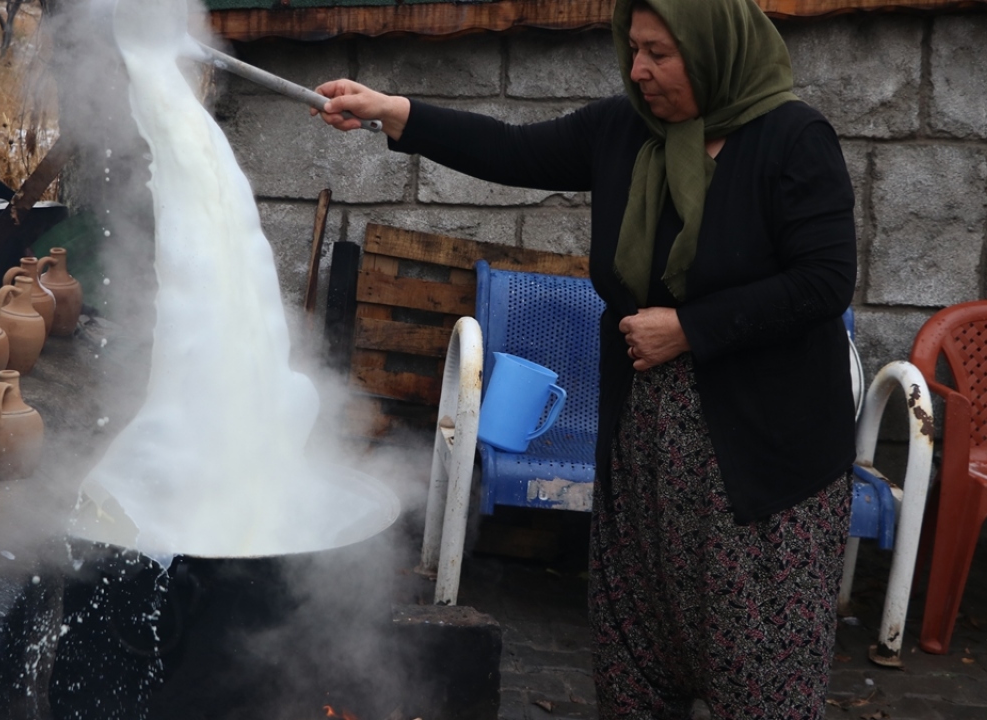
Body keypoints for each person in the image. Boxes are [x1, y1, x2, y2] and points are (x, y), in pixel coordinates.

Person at [314, 0, 857, 716]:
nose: (639, 69)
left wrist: (690, 328)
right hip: (645, 453)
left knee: (757, 675)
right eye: (634, 49)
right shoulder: (624, 130)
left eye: (660, 53)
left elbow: (824, 280)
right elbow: (510, 149)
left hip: (763, 468)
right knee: (639, 661)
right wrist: (393, 111)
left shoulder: (792, 140)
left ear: (714, 50)